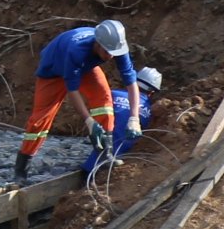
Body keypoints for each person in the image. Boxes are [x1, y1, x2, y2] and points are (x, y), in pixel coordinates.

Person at [14, 19, 130, 183]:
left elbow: (130, 81)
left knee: (104, 98)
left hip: (85, 67)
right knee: (40, 121)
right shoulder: (76, 50)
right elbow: (72, 89)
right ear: (97, 44)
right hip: (53, 72)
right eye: (107, 52)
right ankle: (22, 168)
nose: (110, 56)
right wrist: (89, 122)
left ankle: (106, 154)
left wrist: (134, 118)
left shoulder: (117, 46)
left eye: (113, 52)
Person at [112, 64, 161, 155]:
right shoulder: (150, 112)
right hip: (123, 156)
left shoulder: (113, 94)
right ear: (152, 92)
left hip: (99, 147)